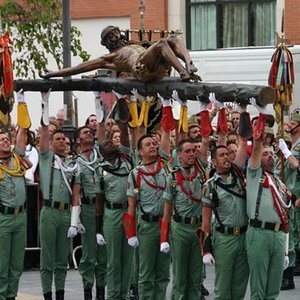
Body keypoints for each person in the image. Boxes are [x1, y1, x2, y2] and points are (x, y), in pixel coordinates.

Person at [124, 94, 173, 299]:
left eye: (154, 144)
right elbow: (131, 206)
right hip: (146, 226)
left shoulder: (165, 167)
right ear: (140, 151)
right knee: (145, 273)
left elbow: (167, 136)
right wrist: (131, 233)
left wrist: (168, 106)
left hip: (165, 225)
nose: (153, 146)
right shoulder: (136, 173)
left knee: (163, 273)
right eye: (148, 145)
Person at [200, 100, 249, 300]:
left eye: (228, 154)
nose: (226, 157)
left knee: (239, 286)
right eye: (221, 155)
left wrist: (244, 112)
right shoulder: (210, 184)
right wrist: (206, 248)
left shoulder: (238, 176)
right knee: (222, 288)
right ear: (213, 160)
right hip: (224, 238)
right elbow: (205, 220)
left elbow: (243, 143)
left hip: (243, 237)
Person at [40, 26, 201, 83]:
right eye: (111, 36)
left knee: (172, 38)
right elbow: (80, 67)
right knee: (162, 43)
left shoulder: (134, 44)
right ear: (107, 42)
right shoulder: (110, 58)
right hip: (141, 68)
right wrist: (54, 73)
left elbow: (166, 46)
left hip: (155, 64)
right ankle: (183, 72)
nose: (116, 36)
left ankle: (188, 63)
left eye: (116, 33)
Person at [246, 99, 291, 299]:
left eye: (272, 154)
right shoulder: (254, 175)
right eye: (266, 154)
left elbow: (286, 216)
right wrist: (262, 115)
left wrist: (287, 249)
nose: (270, 157)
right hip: (259, 233)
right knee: (259, 289)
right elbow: (256, 148)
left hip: (278, 236)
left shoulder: (280, 183)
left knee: (273, 290)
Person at [38, 90, 79, 300]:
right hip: (49, 211)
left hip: (65, 214)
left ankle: (61, 294)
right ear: (52, 143)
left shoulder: (73, 165)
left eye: (66, 140)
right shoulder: (47, 158)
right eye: (59, 139)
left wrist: (74, 221)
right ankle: (47, 295)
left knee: (62, 258)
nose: (63, 142)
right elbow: (44, 134)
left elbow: (76, 195)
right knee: (47, 258)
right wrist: (44, 103)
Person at [0, 91, 31, 300]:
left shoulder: (16, 158)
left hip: (20, 217)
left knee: (16, 262)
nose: (5, 141)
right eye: (0, 139)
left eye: (6, 138)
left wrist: (21, 101)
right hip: (2, 218)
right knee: (2, 263)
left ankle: (12, 296)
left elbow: (23, 133)